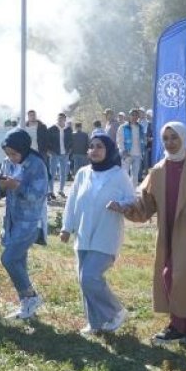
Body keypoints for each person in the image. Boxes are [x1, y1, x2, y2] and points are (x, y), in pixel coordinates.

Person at [116, 122, 186, 344]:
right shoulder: (158, 170)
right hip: (167, 234)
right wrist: (126, 209)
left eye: (174, 137)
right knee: (173, 276)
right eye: (166, 138)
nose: (170, 142)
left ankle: (177, 327)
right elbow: (145, 207)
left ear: (183, 138)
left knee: (177, 276)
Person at [60, 134, 131, 334]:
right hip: (83, 234)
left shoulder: (119, 174)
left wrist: (121, 205)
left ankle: (115, 311)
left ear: (108, 150)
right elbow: (72, 201)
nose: (95, 150)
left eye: (99, 146)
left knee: (90, 277)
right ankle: (95, 323)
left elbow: (132, 199)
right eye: (91, 147)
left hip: (106, 234)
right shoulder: (83, 173)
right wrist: (66, 227)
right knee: (83, 279)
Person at [0, 129, 50, 320]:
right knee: (19, 261)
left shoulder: (37, 165)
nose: (11, 158)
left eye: (14, 153)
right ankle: (27, 307)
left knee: (8, 259)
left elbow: (38, 194)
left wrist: (16, 186)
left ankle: (31, 297)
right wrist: (1, 186)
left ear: (24, 149)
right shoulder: (7, 163)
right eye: (7, 154)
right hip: (12, 220)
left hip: (31, 222)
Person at [45, 112, 73, 198]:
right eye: (59, 118)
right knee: (52, 173)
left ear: (65, 119)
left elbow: (71, 141)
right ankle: (51, 191)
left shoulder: (68, 130)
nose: (60, 120)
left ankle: (61, 190)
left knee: (63, 173)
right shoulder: (51, 129)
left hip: (65, 154)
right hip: (54, 153)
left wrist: (69, 150)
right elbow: (47, 141)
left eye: (62, 118)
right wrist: (49, 151)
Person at [119, 109, 146, 187]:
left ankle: (133, 193)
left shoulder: (141, 127)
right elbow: (119, 140)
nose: (134, 117)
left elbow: (143, 140)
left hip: (138, 154)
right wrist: (123, 151)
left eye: (136, 115)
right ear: (129, 116)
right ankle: (124, 192)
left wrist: (142, 152)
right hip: (127, 154)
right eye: (132, 115)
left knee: (135, 175)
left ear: (138, 117)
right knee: (125, 174)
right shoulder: (123, 127)